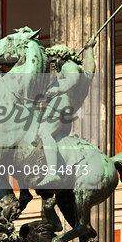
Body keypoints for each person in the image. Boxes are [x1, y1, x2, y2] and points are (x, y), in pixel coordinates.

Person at [36, 35, 97, 186]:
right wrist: (89, 49)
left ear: (59, 57)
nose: (52, 65)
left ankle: (52, 172)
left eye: (52, 60)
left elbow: (73, 79)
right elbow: (90, 70)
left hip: (59, 108)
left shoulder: (68, 67)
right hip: (67, 114)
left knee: (44, 133)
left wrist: (56, 90)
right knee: (55, 141)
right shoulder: (82, 73)